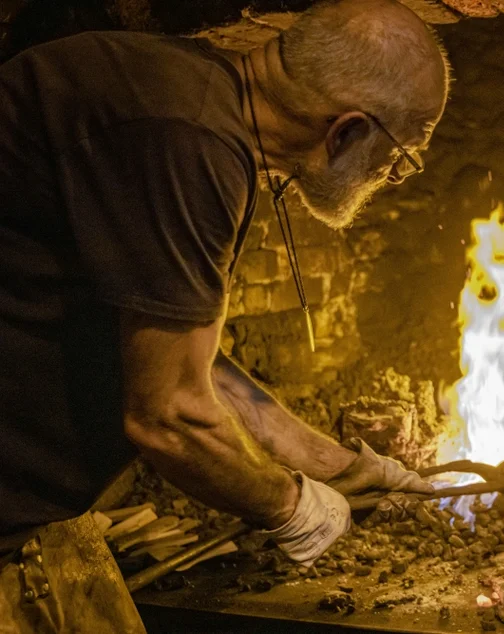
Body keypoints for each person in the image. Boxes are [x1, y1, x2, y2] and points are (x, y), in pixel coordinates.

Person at [0, 0, 450, 630]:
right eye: (398, 159)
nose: (389, 178)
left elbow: (185, 359)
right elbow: (168, 415)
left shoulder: (197, 99)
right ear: (347, 130)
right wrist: (291, 507)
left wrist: (337, 467)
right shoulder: (188, 141)